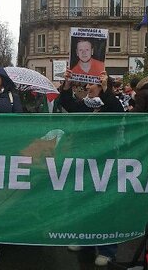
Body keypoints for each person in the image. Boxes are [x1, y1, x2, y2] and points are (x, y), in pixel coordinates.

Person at [59, 70, 123, 266]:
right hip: (84, 159)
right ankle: (85, 240)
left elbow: (117, 113)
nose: (87, 87)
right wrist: (67, 85)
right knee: (82, 200)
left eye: (91, 84)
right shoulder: (85, 104)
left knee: (104, 205)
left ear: (101, 86)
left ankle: (107, 249)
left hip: (105, 161)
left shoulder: (111, 103)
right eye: (86, 84)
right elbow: (68, 105)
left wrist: (106, 90)